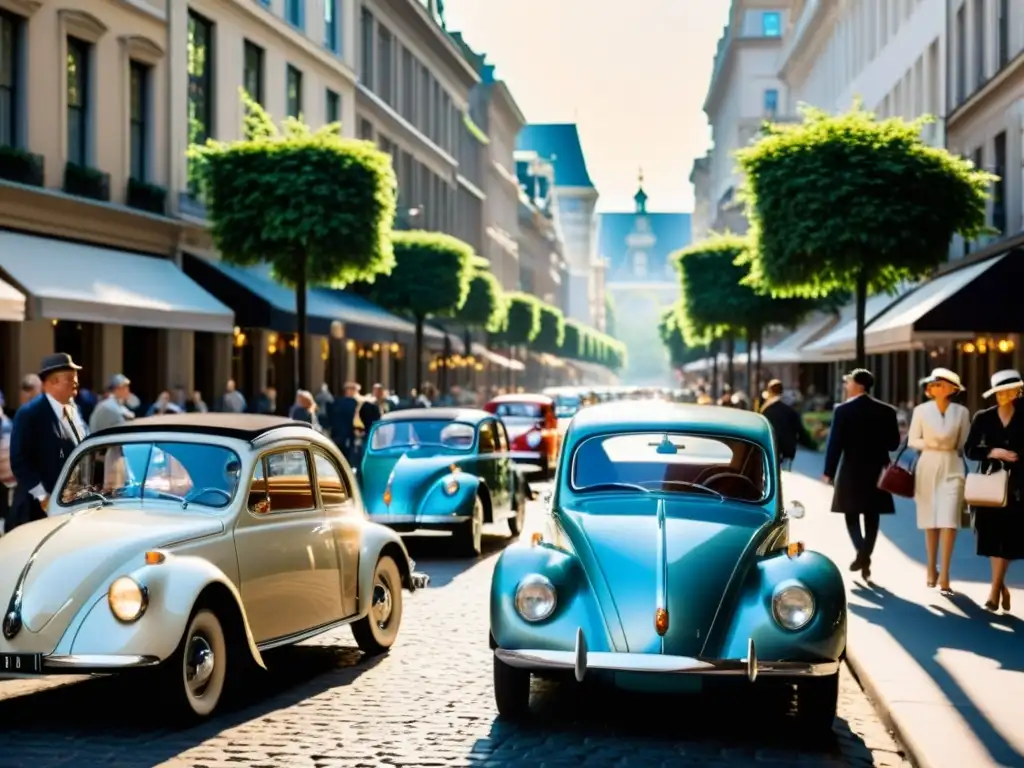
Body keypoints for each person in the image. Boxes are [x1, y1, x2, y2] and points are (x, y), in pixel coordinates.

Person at [822, 368, 901, 580]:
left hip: (851, 469)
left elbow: (834, 444)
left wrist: (828, 471)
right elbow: (893, 445)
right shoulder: (887, 411)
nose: (846, 386)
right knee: (872, 515)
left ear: (858, 385)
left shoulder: (843, 411)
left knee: (851, 513)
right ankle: (865, 555)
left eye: (848, 382)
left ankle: (862, 554)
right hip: (877, 469)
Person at [964, 369, 1024, 613]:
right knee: (992, 536)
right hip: (990, 484)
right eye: (998, 392)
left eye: (1007, 391)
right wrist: (992, 452)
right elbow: (969, 450)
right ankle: (999, 587)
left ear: (1018, 391)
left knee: (1008, 539)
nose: (1002, 396)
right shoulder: (983, 417)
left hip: (1019, 485)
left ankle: (994, 590)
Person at [907, 368, 971, 595]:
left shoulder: (962, 412)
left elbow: (964, 440)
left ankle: (945, 572)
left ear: (952, 389)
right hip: (928, 465)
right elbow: (913, 440)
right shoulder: (921, 411)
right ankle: (930, 567)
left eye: (941, 384)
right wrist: (933, 445)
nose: (936, 387)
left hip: (953, 466)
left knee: (950, 519)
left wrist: (947, 447)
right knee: (930, 520)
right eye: (934, 384)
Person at [7, 353, 88, 532]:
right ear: (52, 383)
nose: (75, 383)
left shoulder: (75, 410)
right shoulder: (30, 414)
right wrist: (43, 497)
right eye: (69, 379)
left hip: (71, 507)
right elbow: (19, 461)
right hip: (36, 511)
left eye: (76, 377)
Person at [760, 379, 813, 470]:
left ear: (769, 391)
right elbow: (800, 430)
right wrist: (812, 445)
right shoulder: (790, 409)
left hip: (771, 448)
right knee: (785, 475)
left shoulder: (765, 410)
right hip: (787, 450)